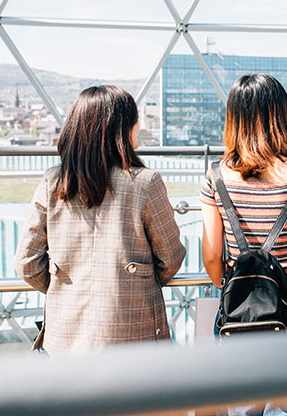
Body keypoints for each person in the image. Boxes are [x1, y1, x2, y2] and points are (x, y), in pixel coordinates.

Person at [15, 85, 186, 354]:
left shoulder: (53, 182)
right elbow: (171, 258)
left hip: (64, 338)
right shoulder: (145, 183)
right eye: (136, 119)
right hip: (133, 334)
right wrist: (131, 284)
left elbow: (27, 262)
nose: (139, 126)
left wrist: (67, 286)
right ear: (121, 128)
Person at [200, 74, 287, 416]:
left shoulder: (216, 177)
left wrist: (238, 288)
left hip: (237, 309)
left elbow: (211, 256)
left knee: (241, 405)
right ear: (280, 116)